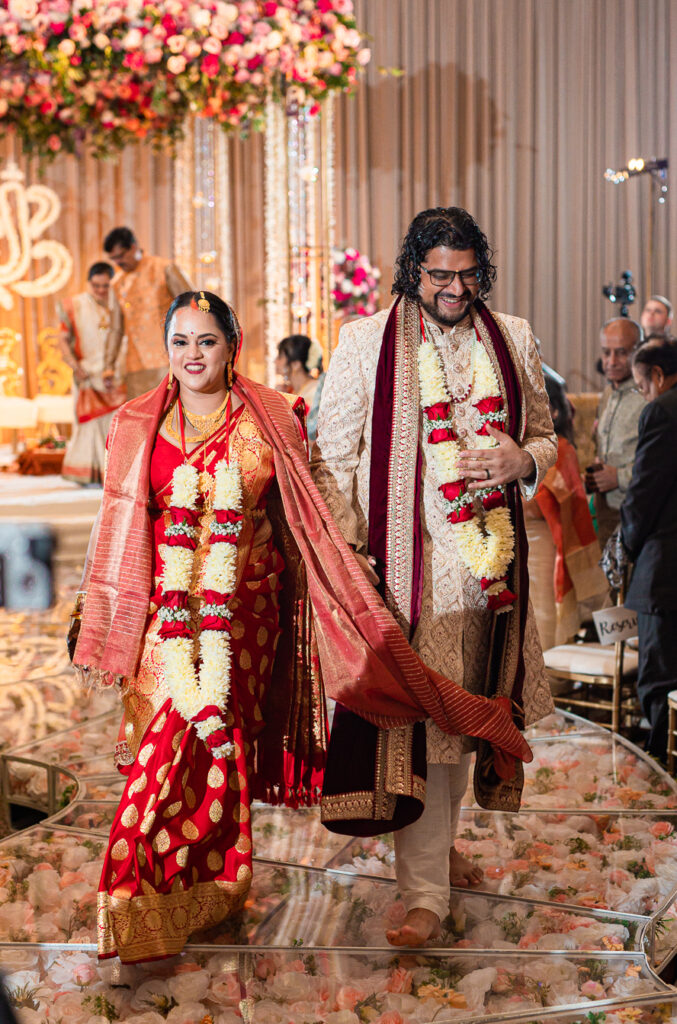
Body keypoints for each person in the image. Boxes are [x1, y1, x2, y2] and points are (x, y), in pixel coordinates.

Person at [69, 289, 531, 965]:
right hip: (162, 628)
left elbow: (308, 508)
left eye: (207, 341)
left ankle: (209, 887)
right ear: (165, 349)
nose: (193, 355)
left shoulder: (272, 417)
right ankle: (144, 891)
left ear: (233, 346)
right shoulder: (136, 422)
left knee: (217, 754)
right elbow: (117, 529)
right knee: (163, 753)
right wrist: (105, 612)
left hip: (243, 624)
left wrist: (350, 563)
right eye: (180, 342)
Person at [311, 206, 556, 946]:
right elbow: (334, 460)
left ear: (483, 270)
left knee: (460, 726)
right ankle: (424, 896)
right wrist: (351, 563)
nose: (454, 289)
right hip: (400, 576)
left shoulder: (510, 337)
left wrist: (525, 461)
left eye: (467, 274)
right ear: (411, 270)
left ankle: (437, 853)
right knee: (413, 730)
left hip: (488, 579)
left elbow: (543, 433)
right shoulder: (363, 342)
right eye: (439, 275)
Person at [621, 340, 677, 762]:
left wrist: (625, 544)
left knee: (658, 680)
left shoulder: (662, 411)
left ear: (657, 375)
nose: (643, 393)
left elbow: (643, 493)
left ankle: (663, 777)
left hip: (666, 571)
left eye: (641, 384)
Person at [524, 376, 606, 650]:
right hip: (515, 545)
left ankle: (551, 683)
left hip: (545, 548)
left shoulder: (563, 450)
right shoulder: (517, 450)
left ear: (555, 412)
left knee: (544, 617)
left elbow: (539, 507)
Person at [102, 226, 193, 399]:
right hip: (136, 365)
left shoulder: (163, 268)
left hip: (171, 358)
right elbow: (115, 328)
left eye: (121, 256)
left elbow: (190, 306)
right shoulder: (117, 283)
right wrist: (109, 366)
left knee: (177, 415)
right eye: (113, 259)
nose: (118, 263)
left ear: (134, 247)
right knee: (143, 419)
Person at [58, 262, 125, 485]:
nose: (100, 290)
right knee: (88, 425)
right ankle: (87, 474)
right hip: (86, 373)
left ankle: (112, 474)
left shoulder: (121, 306)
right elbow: (63, 340)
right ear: (89, 283)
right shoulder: (73, 306)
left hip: (114, 375)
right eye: (96, 285)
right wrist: (74, 365)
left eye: (105, 286)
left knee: (114, 424)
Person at [586, 318, 645, 548]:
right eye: (606, 352)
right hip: (606, 509)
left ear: (637, 351)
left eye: (620, 353)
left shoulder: (649, 396)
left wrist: (618, 477)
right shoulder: (609, 393)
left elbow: (662, 464)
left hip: (637, 511)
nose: (611, 362)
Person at [275, 334, 326, 442]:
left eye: (280, 357)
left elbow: (309, 430)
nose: (275, 361)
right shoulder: (291, 390)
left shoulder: (315, 391)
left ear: (296, 365)